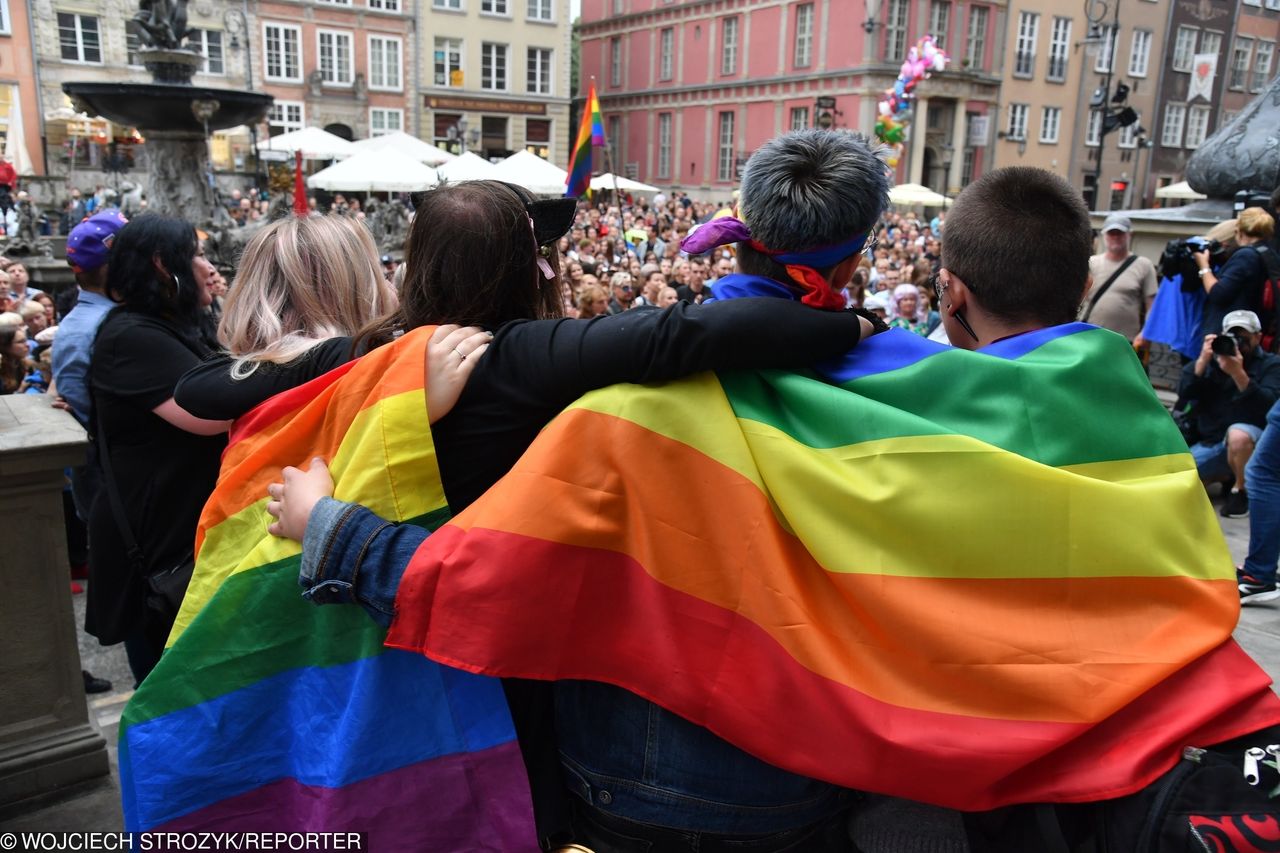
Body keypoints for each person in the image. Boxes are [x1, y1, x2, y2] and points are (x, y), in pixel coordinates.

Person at [282, 154, 1280, 851]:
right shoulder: (1063, 416)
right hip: (816, 793)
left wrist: (333, 530)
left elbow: (492, 573)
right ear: (859, 266)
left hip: (645, 780)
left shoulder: (636, 412)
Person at [268, 140, 887, 851]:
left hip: (408, 672)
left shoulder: (380, 357)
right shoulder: (533, 359)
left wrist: (379, 441)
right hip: (730, 745)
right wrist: (855, 326)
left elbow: (213, 387)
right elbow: (687, 333)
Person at [86, 214, 230, 686]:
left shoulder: (171, 326)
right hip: (157, 542)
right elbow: (211, 413)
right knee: (172, 692)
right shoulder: (132, 336)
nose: (209, 267)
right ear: (161, 265)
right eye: (197, 255)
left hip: (177, 529)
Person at [175, 216, 398, 421]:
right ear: (354, 286)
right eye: (378, 273)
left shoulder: (285, 375)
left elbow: (192, 389)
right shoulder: (365, 356)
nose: (387, 283)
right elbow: (192, 389)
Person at [1179, 309, 1280, 517]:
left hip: (1250, 443)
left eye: (1243, 337)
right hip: (1212, 441)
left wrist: (1238, 374)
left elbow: (1269, 407)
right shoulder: (1215, 361)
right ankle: (1224, 475)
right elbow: (1184, 396)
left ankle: (1240, 490)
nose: (1238, 343)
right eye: (1233, 336)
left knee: (1238, 434)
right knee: (1177, 477)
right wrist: (1201, 362)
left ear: (1258, 337)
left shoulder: (1271, 365)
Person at [1195, 207, 1277, 337]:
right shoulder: (1269, 253)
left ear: (1239, 231)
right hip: (1250, 329)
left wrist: (1204, 266)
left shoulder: (1245, 255)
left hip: (1228, 331)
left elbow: (1218, 294)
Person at [1078, 213, 1158, 343]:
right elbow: (1077, 299)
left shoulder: (1144, 265)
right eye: (1111, 233)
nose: (1115, 237)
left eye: (1119, 233)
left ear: (1129, 235)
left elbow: (1152, 306)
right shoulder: (1091, 263)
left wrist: (1145, 333)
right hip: (1090, 336)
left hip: (1125, 340)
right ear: (1104, 235)